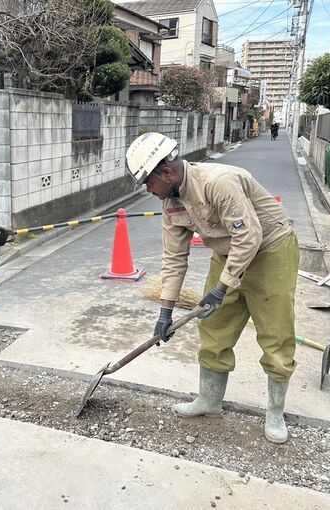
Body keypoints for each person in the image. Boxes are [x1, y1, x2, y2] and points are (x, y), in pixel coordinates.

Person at [125, 132, 299, 444]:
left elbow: (250, 237)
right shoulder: (172, 204)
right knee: (214, 325)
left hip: (271, 250)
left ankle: (275, 411)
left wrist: (220, 289)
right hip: (227, 254)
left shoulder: (218, 183)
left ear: (166, 174)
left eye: (147, 183)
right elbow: (174, 258)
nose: (148, 190)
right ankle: (210, 400)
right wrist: (165, 312)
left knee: (275, 333)